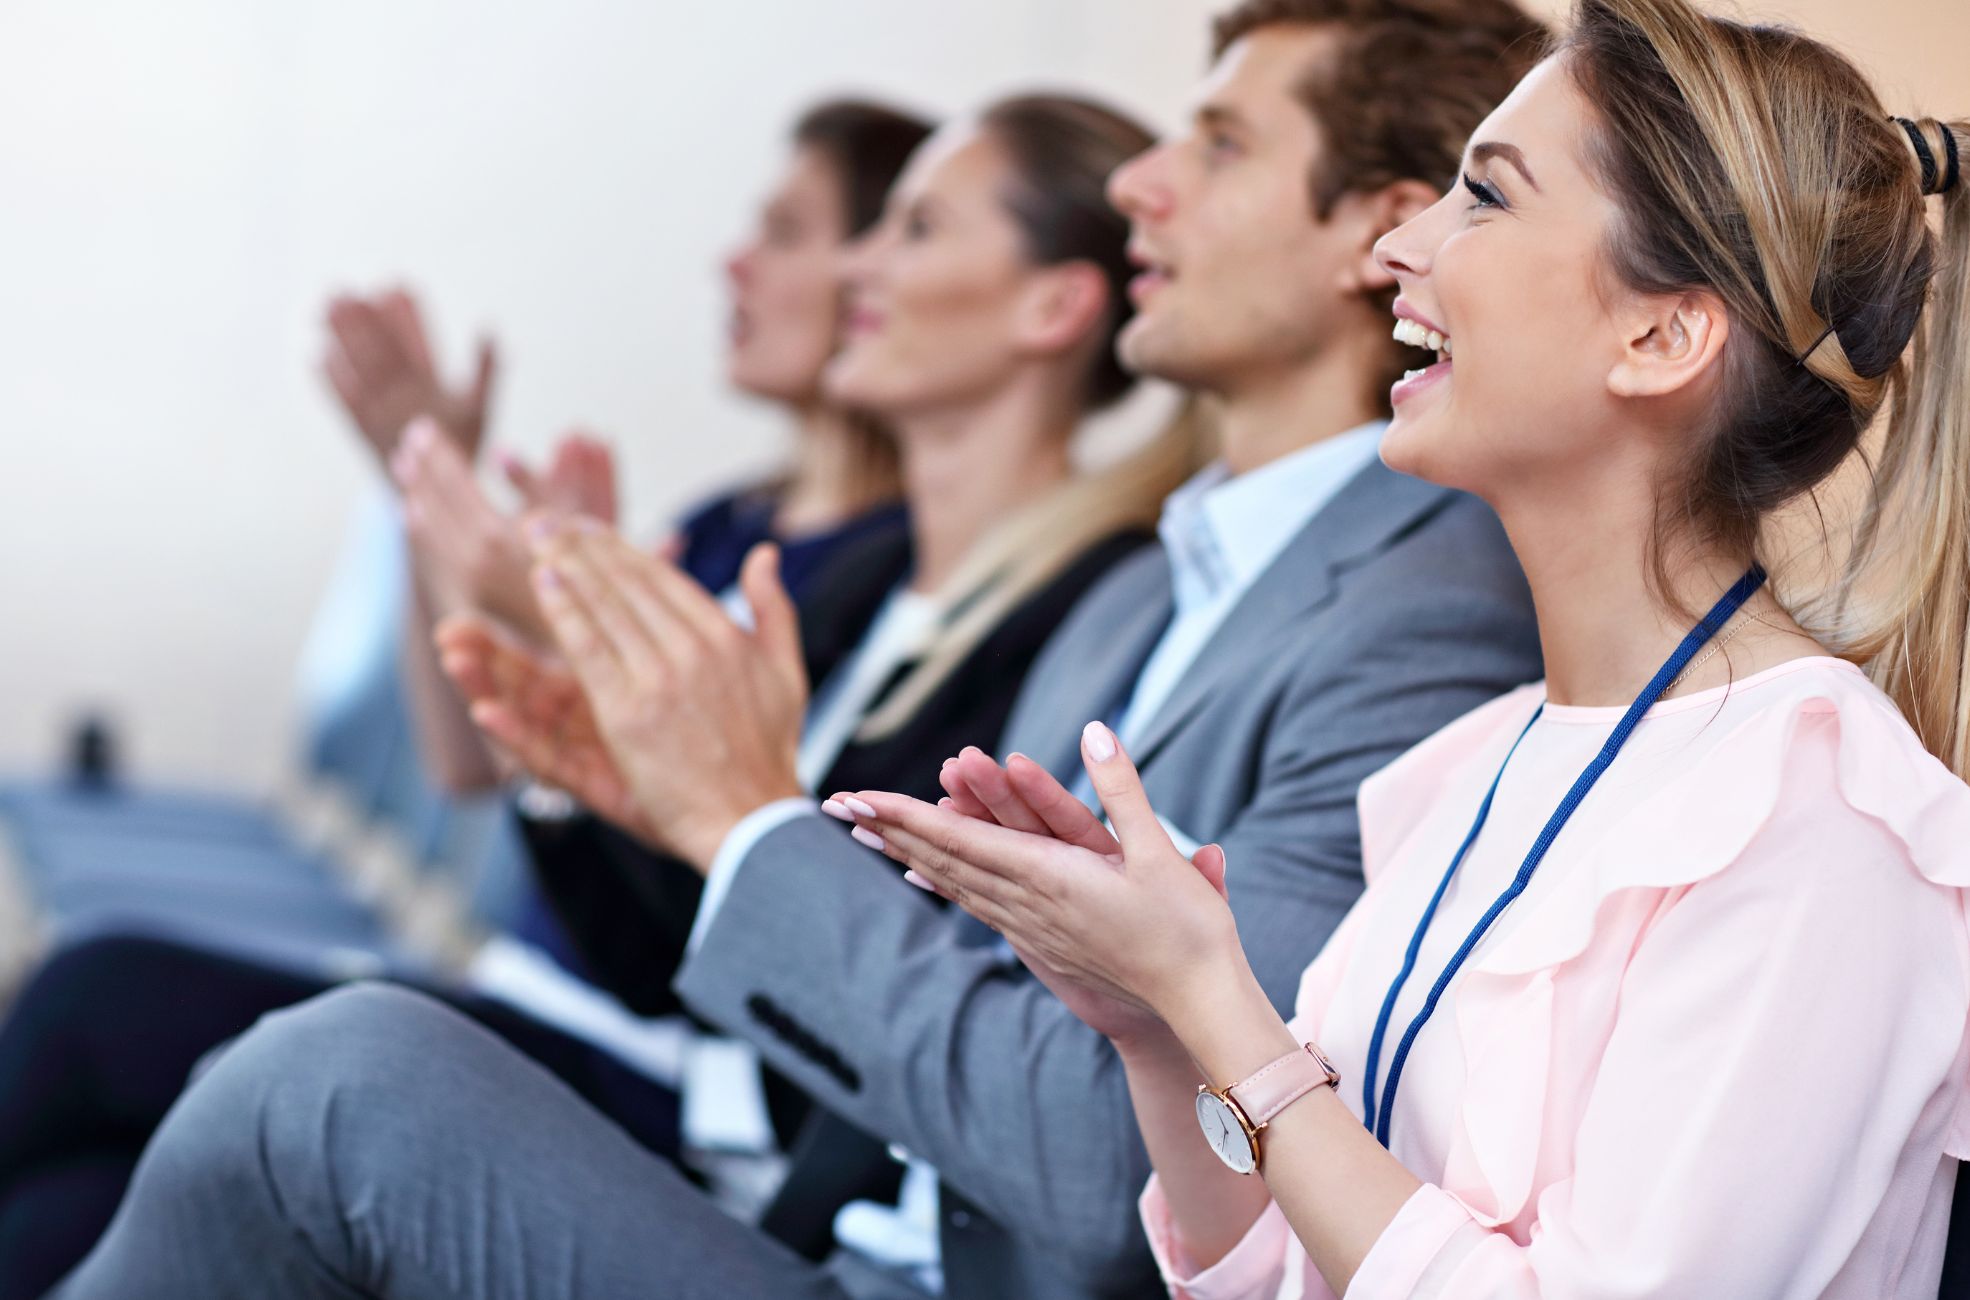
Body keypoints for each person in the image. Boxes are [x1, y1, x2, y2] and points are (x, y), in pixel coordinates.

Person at [40, 3, 1548, 1298]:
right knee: (187, 1141)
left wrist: (734, 817)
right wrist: (656, 798)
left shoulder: (1416, 619)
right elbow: (946, 986)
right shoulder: (1150, 588)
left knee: (326, 1086)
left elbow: (1116, 1174)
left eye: (1216, 147)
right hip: (836, 1212)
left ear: (1373, 228)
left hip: (907, 1243)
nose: (1147, 184)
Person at [834, 1, 1970, 1294]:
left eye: (1482, 198)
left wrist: (1217, 1006)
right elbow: (1271, 1269)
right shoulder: (1476, 758)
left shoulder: (1820, 823)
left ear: (1660, 335)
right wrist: (1153, 1027)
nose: (1400, 244)